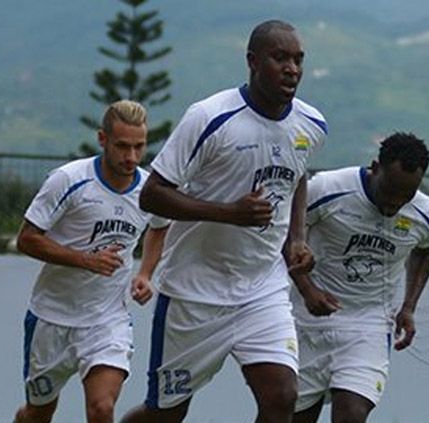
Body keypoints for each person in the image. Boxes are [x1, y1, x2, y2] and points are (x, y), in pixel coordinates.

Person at [120, 19, 327, 423]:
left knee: (282, 397)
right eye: (279, 58)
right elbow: (153, 193)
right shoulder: (209, 117)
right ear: (252, 62)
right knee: (164, 415)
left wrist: (297, 239)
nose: (292, 69)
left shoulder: (311, 124)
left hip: (262, 290)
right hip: (194, 294)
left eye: (298, 60)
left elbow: (298, 171)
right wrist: (228, 214)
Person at [13, 99, 169, 423]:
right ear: (102, 139)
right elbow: (26, 239)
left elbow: (159, 227)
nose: (131, 157)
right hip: (50, 318)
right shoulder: (69, 180)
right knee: (37, 413)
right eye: (122, 146)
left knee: (101, 408)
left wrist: (145, 273)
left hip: (106, 319)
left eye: (139, 147)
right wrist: (85, 260)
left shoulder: (147, 189)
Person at [290, 132, 429, 423]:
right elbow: (289, 233)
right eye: (389, 191)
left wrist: (409, 307)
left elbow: (424, 253)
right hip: (306, 319)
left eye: (406, 196)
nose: (394, 204)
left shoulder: (428, 214)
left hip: (368, 324)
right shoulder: (327, 188)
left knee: (352, 412)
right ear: (375, 167)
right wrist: (307, 289)